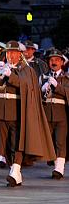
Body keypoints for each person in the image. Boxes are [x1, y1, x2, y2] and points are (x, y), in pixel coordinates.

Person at [0, 41, 55, 187]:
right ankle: (15, 171)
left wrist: (11, 76)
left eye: (13, 52)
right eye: (8, 52)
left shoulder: (26, 70)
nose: (10, 55)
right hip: (0, 110)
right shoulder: (2, 67)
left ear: (19, 54)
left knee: (16, 142)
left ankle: (15, 169)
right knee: (5, 144)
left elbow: (27, 85)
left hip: (17, 111)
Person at [41, 48, 68, 180]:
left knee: (60, 141)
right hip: (47, 112)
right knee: (49, 140)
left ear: (62, 62)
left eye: (57, 60)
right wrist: (42, 89)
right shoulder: (43, 77)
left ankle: (59, 168)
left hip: (61, 113)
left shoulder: (66, 78)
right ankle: (53, 161)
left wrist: (57, 86)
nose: (54, 62)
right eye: (52, 60)